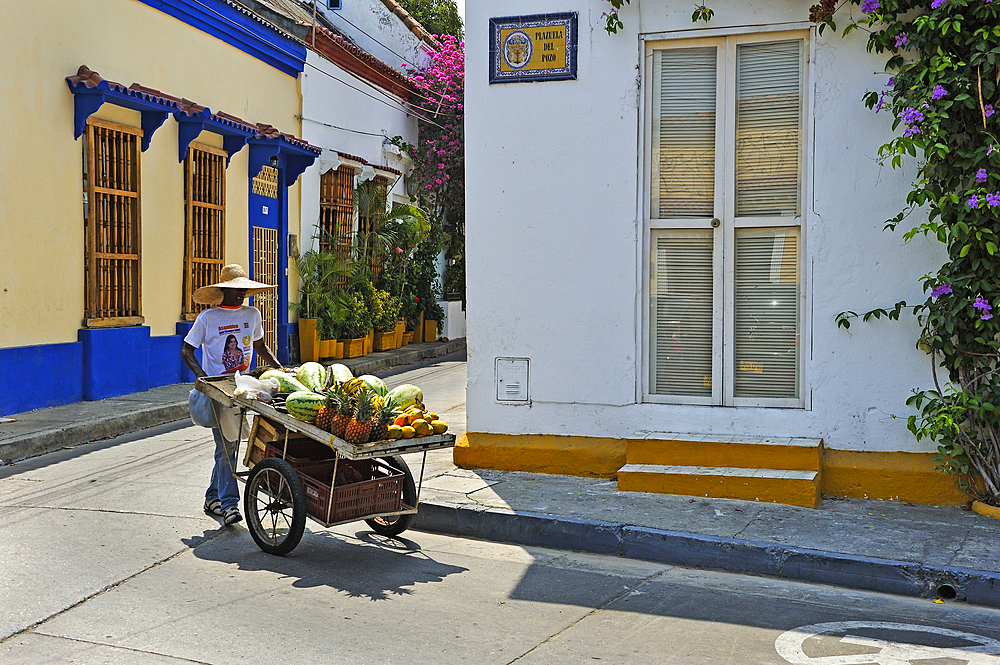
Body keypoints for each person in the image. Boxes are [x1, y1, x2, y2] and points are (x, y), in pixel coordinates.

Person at [182, 264, 283, 525]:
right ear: (223, 290)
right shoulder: (208, 318)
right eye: (236, 290)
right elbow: (187, 350)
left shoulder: (252, 314)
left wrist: (279, 368)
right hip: (220, 390)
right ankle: (228, 505)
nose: (242, 295)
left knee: (230, 444)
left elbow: (259, 345)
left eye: (244, 291)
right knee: (227, 444)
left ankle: (212, 496)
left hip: (243, 387)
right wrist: (203, 377)